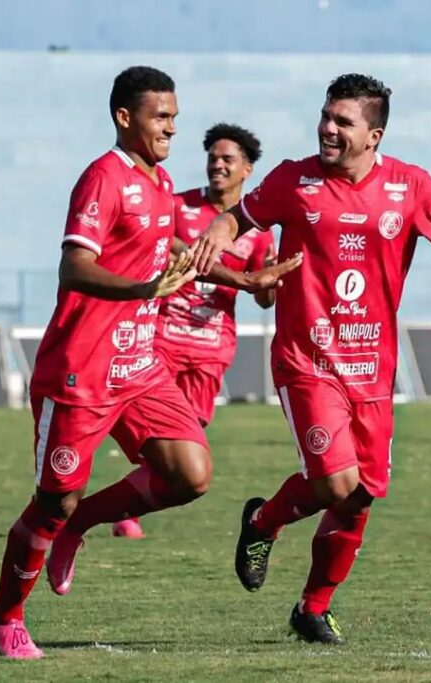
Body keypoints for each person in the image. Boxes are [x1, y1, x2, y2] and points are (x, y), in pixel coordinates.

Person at [191, 74, 431, 644]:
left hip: (373, 370)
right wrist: (220, 225)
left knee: (361, 494)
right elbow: (240, 217)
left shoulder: (409, 186)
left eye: (343, 122)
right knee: (336, 483)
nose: (328, 128)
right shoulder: (295, 179)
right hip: (307, 360)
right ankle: (263, 522)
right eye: (325, 116)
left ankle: (313, 608)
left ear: (374, 134)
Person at [0, 66, 300, 659]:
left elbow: (173, 250)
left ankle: (80, 526)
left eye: (175, 117)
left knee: (191, 474)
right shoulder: (103, 178)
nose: (171, 128)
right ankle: (4, 616)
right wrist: (141, 290)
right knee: (54, 500)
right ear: (125, 117)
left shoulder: (159, 181)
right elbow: (74, 266)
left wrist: (243, 276)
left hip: (139, 366)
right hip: (82, 370)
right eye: (161, 117)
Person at [111, 122, 277, 539]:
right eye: (212, 158)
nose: (217, 166)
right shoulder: (177, 206)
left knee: (187, 435)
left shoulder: (256, 231)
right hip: (163, 336)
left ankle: (130, 504)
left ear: (247, 170)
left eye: (227, 160)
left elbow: (264, 298)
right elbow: (160, 242)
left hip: (211, 347)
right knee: (157, 430)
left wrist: (275, 277)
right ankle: (124, 513)